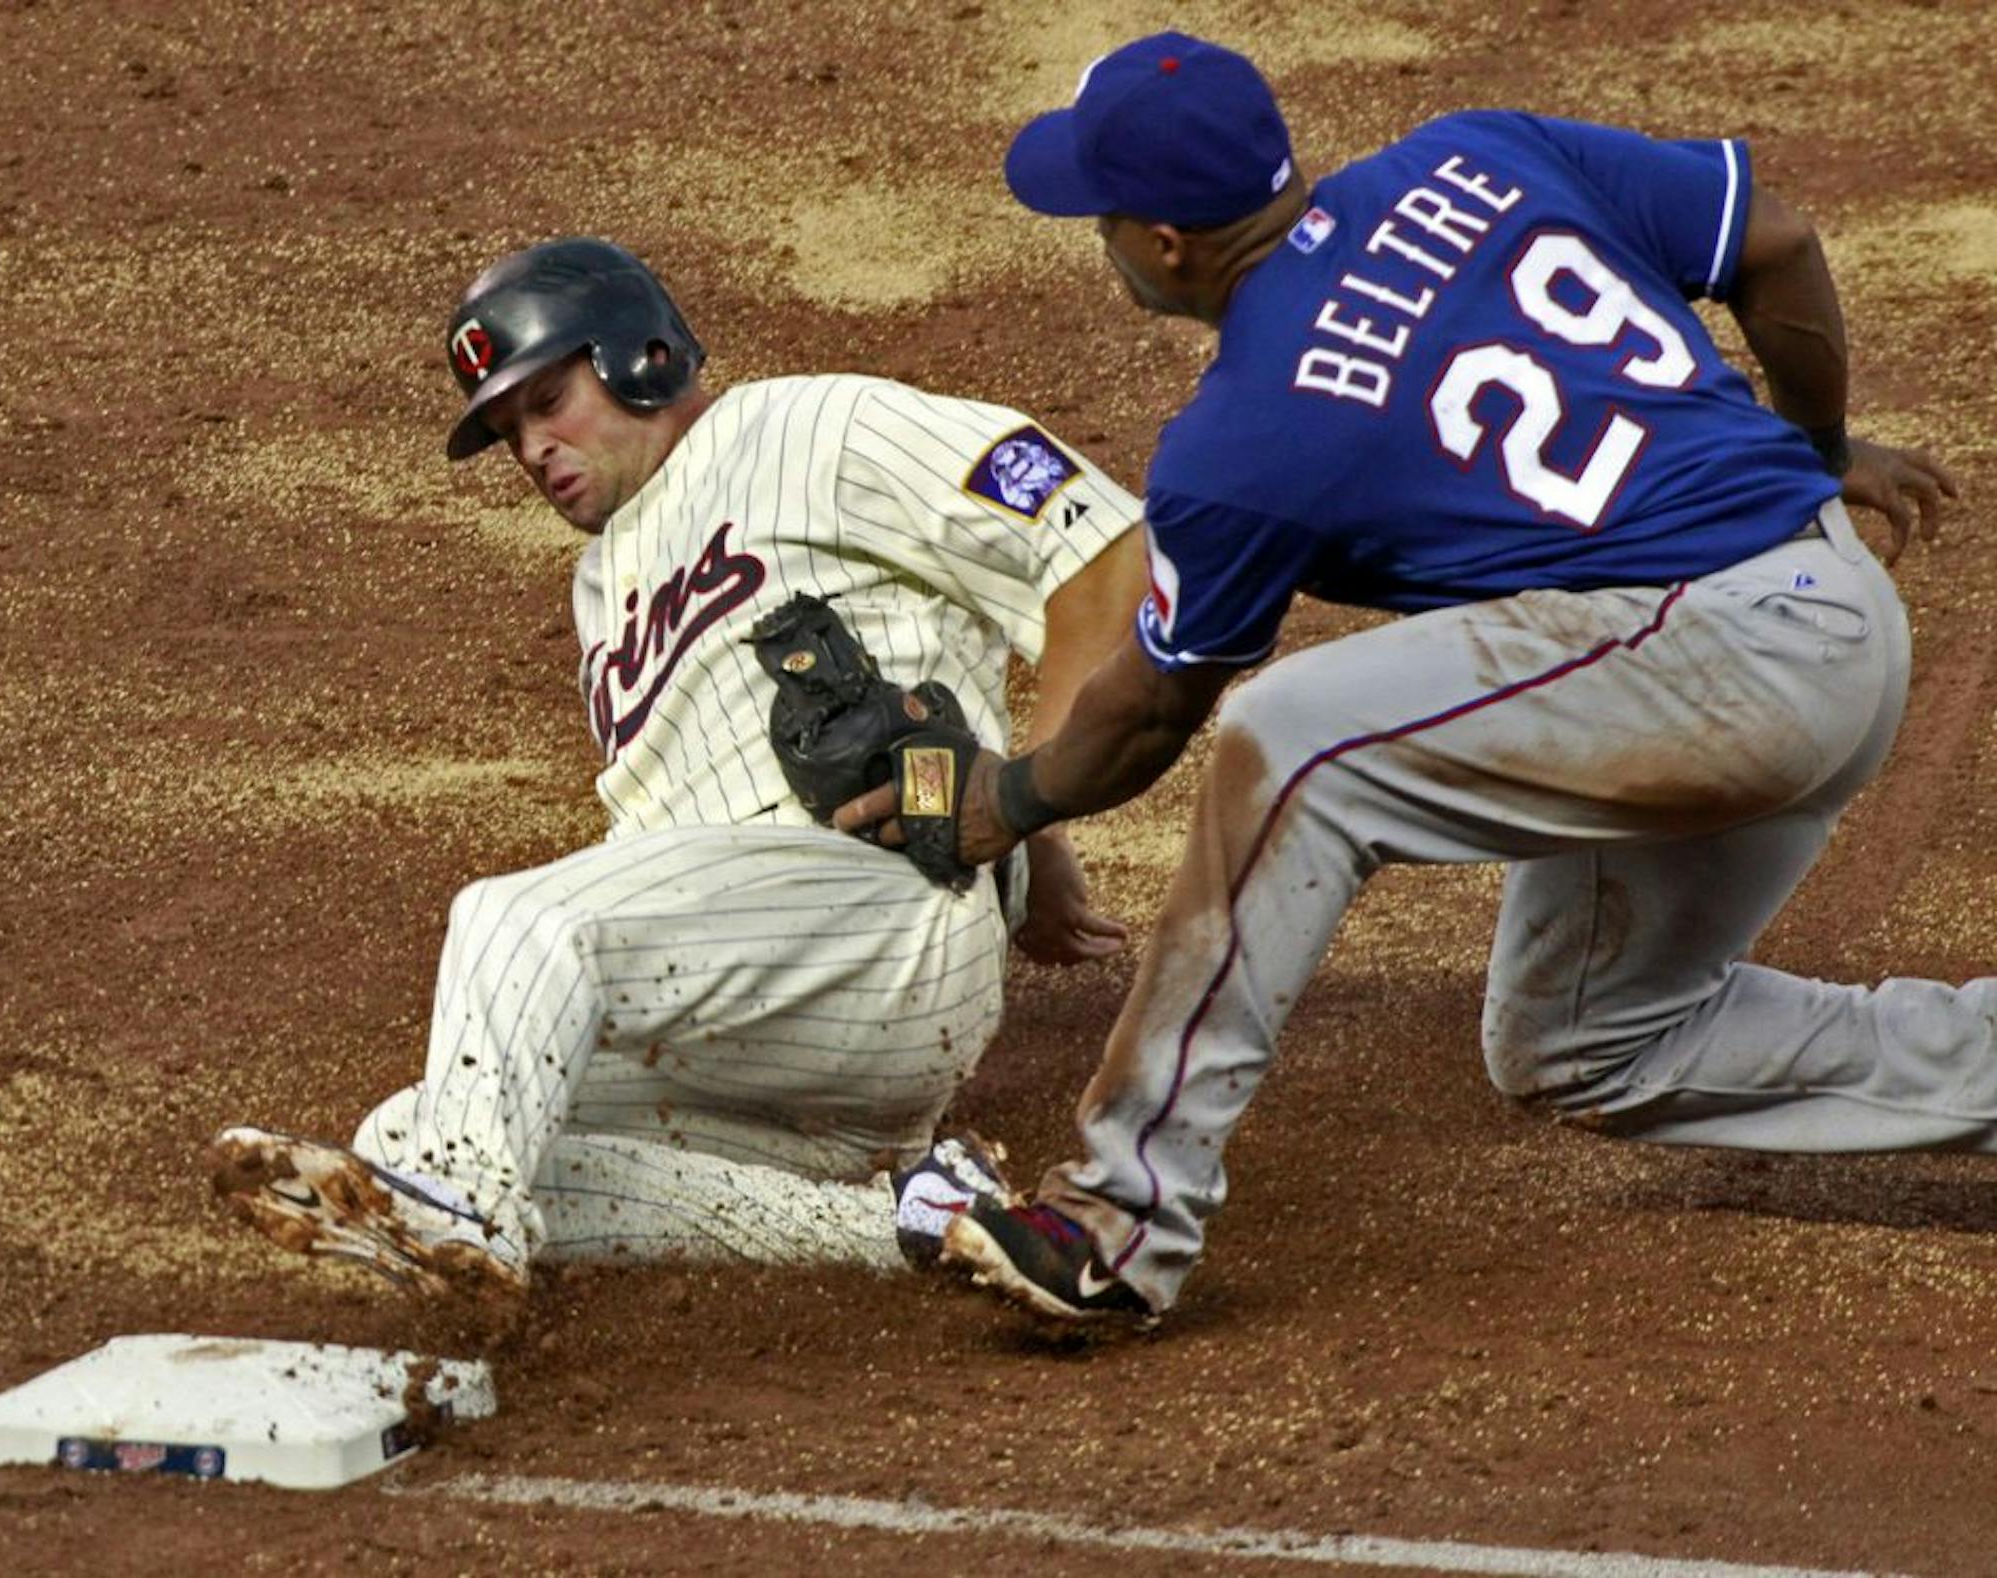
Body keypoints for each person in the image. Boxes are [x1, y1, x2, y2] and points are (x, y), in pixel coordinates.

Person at [846, 32, 1980, 1323]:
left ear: (1165, 245)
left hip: (1729, 661)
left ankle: (1118, 1216)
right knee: (1583, 1036)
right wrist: (1816, 447)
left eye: (1103, 218)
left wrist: (1006, 798)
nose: (1100, 240)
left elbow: (1153, 711)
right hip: (1826, 612)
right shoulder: (1475, 153)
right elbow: (1774, 241)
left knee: (1293, 743)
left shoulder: (1242, 441)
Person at [209, 237, 1147, 1294]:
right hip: (765, 1022)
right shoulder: (602, 591)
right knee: (408, 1136)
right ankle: (911, 1218)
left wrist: (1029, 799)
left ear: (641, 357)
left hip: (879, 925)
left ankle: (466, 1212)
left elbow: (1103, 550)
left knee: (515, 925)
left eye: (548, 401)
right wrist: (1035, 843)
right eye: (510, 433)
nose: (533, 449)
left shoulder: (810, 427)